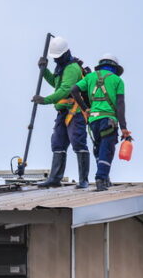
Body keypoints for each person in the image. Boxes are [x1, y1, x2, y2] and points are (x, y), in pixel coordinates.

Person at [32, 36, 90, 188]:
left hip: (75, 112)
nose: (56, 60)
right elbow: (56, 83)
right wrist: (44, 71)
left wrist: (45, 100)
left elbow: (65, 90)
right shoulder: (62, 67)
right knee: (58, 143)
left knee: (78, 142)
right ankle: (55, 179)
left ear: (65, 53)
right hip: (63, 111)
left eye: (58, 57)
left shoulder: (71, 68)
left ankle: (83, 180)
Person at [71, 54, 130, 191]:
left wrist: (85, 108)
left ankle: (104, 178)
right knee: (106, 149)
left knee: (98, 149)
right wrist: (124, 128)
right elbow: (120, 105)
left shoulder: (90, 77)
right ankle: (101, 178)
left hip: (93, 121)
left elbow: (74, 90)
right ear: (114, 67)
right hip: (108, 120)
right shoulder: (117, 81)